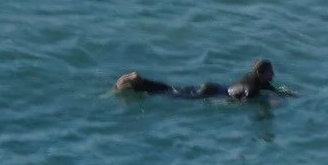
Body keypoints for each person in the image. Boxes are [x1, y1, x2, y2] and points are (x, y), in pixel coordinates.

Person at [114, 59, 286, 102]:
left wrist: (291, 96)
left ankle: (140, 82)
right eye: (271, 72)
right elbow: (245, 100)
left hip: (215, 89)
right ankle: (138, 84)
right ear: (261, 73)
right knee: (171, 94)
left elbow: (275, 91)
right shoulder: (254, 87)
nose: (274, 75)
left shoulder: (254, 79)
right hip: (212, 94)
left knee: (174, 89)